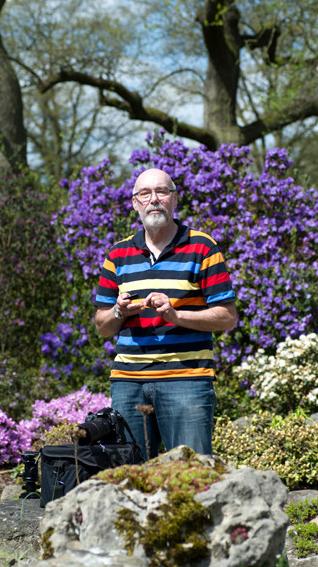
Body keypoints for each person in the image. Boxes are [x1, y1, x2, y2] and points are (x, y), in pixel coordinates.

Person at [94, 168, 237, 459]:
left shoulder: (203, 248)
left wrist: (176, 315)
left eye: (162, 192)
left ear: (174, 199)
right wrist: (118, 311)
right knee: (129, 480)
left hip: (187, 381)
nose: (154, 200)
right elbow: (102, 326)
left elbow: (227, 316)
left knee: (191, 478)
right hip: (128, 382)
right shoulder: (117, 255)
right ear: (135, 203)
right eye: (145, 194)